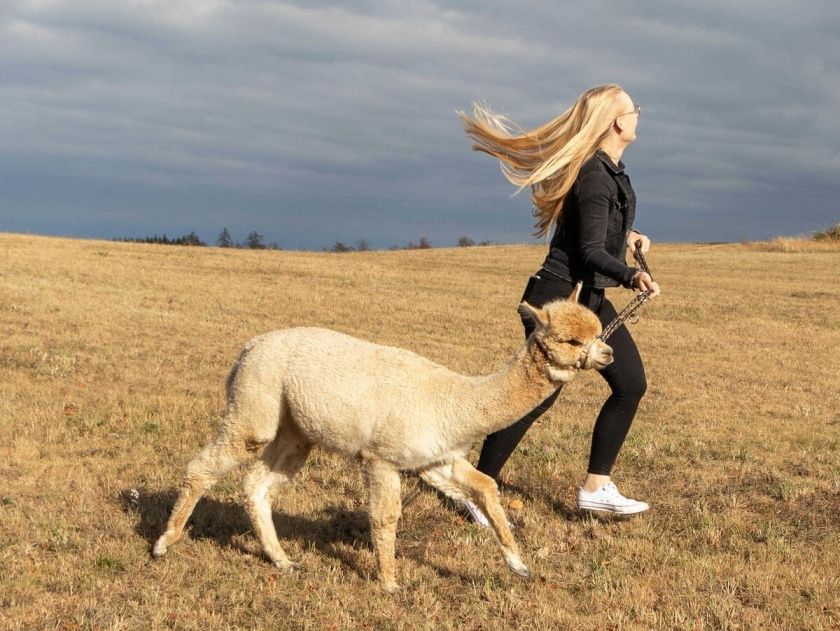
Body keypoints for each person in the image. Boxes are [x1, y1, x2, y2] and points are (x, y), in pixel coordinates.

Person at [458, 84, 661, 521]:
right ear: (617, 121)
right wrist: (631, 274)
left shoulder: (607, 171)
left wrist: (628, 237)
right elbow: (587, 251)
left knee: (630, 385)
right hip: (557, 301)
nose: (638, 115)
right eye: (634, 109)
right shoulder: (594, 175)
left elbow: (593, 231)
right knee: (535, 396)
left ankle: (596, 487)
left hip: (586, 300)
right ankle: (477, 487)